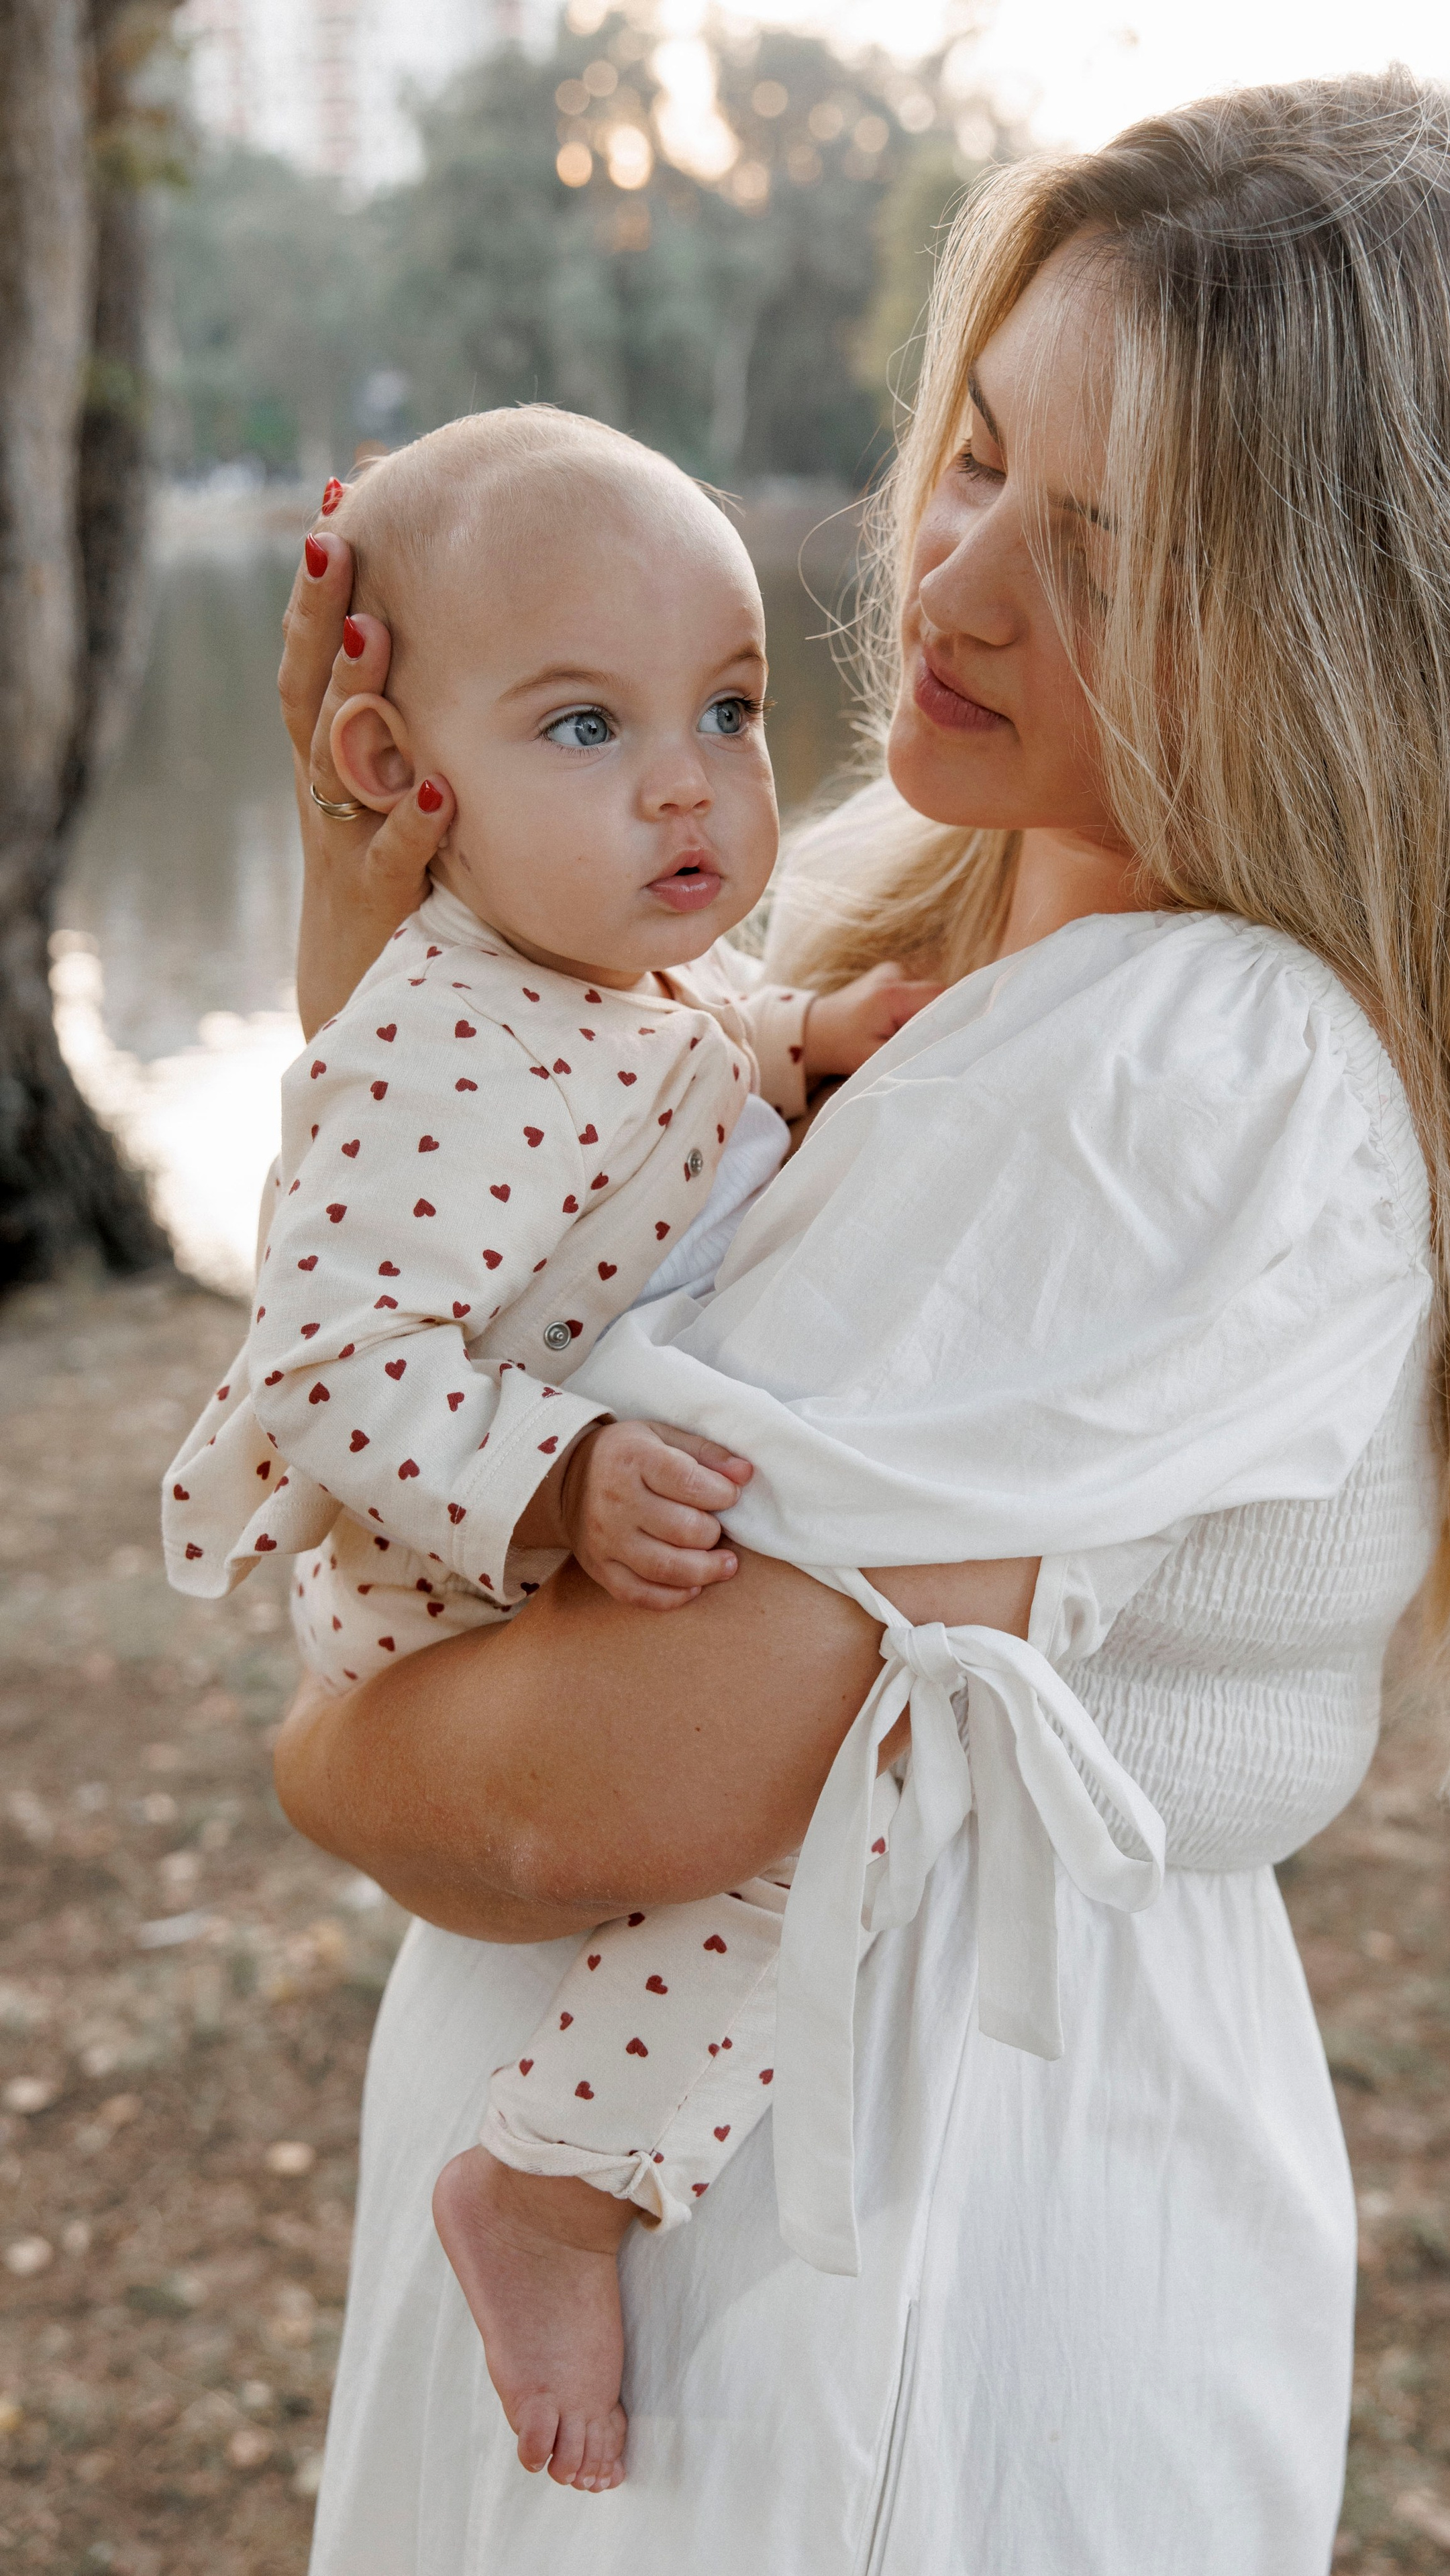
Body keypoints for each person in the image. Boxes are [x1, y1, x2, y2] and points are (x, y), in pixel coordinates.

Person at [272, 70, 1450, 2575]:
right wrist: (393, 929)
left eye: (1111, 554)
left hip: (872, 2255)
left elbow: (564, 1794)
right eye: (986, 454)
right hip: (675, 2181)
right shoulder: (884, 902)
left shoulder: (1193, 1062)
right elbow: (450, 1267)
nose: (953, 580)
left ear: (1361, 653)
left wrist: (325, 1744)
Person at [162, 406, 943, 2494]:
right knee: (804, 1808)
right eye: (585, 726)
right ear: (390, 768)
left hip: (540, 1554)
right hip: (448, 1588)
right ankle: (557, 2188)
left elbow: (675, 1071)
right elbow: (328, 1364)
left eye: (729, 709)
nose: (688, 782)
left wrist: (803, 1040)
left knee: (831, 1778)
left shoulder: (623, 963)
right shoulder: (423, 1045)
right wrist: (558, 1478)